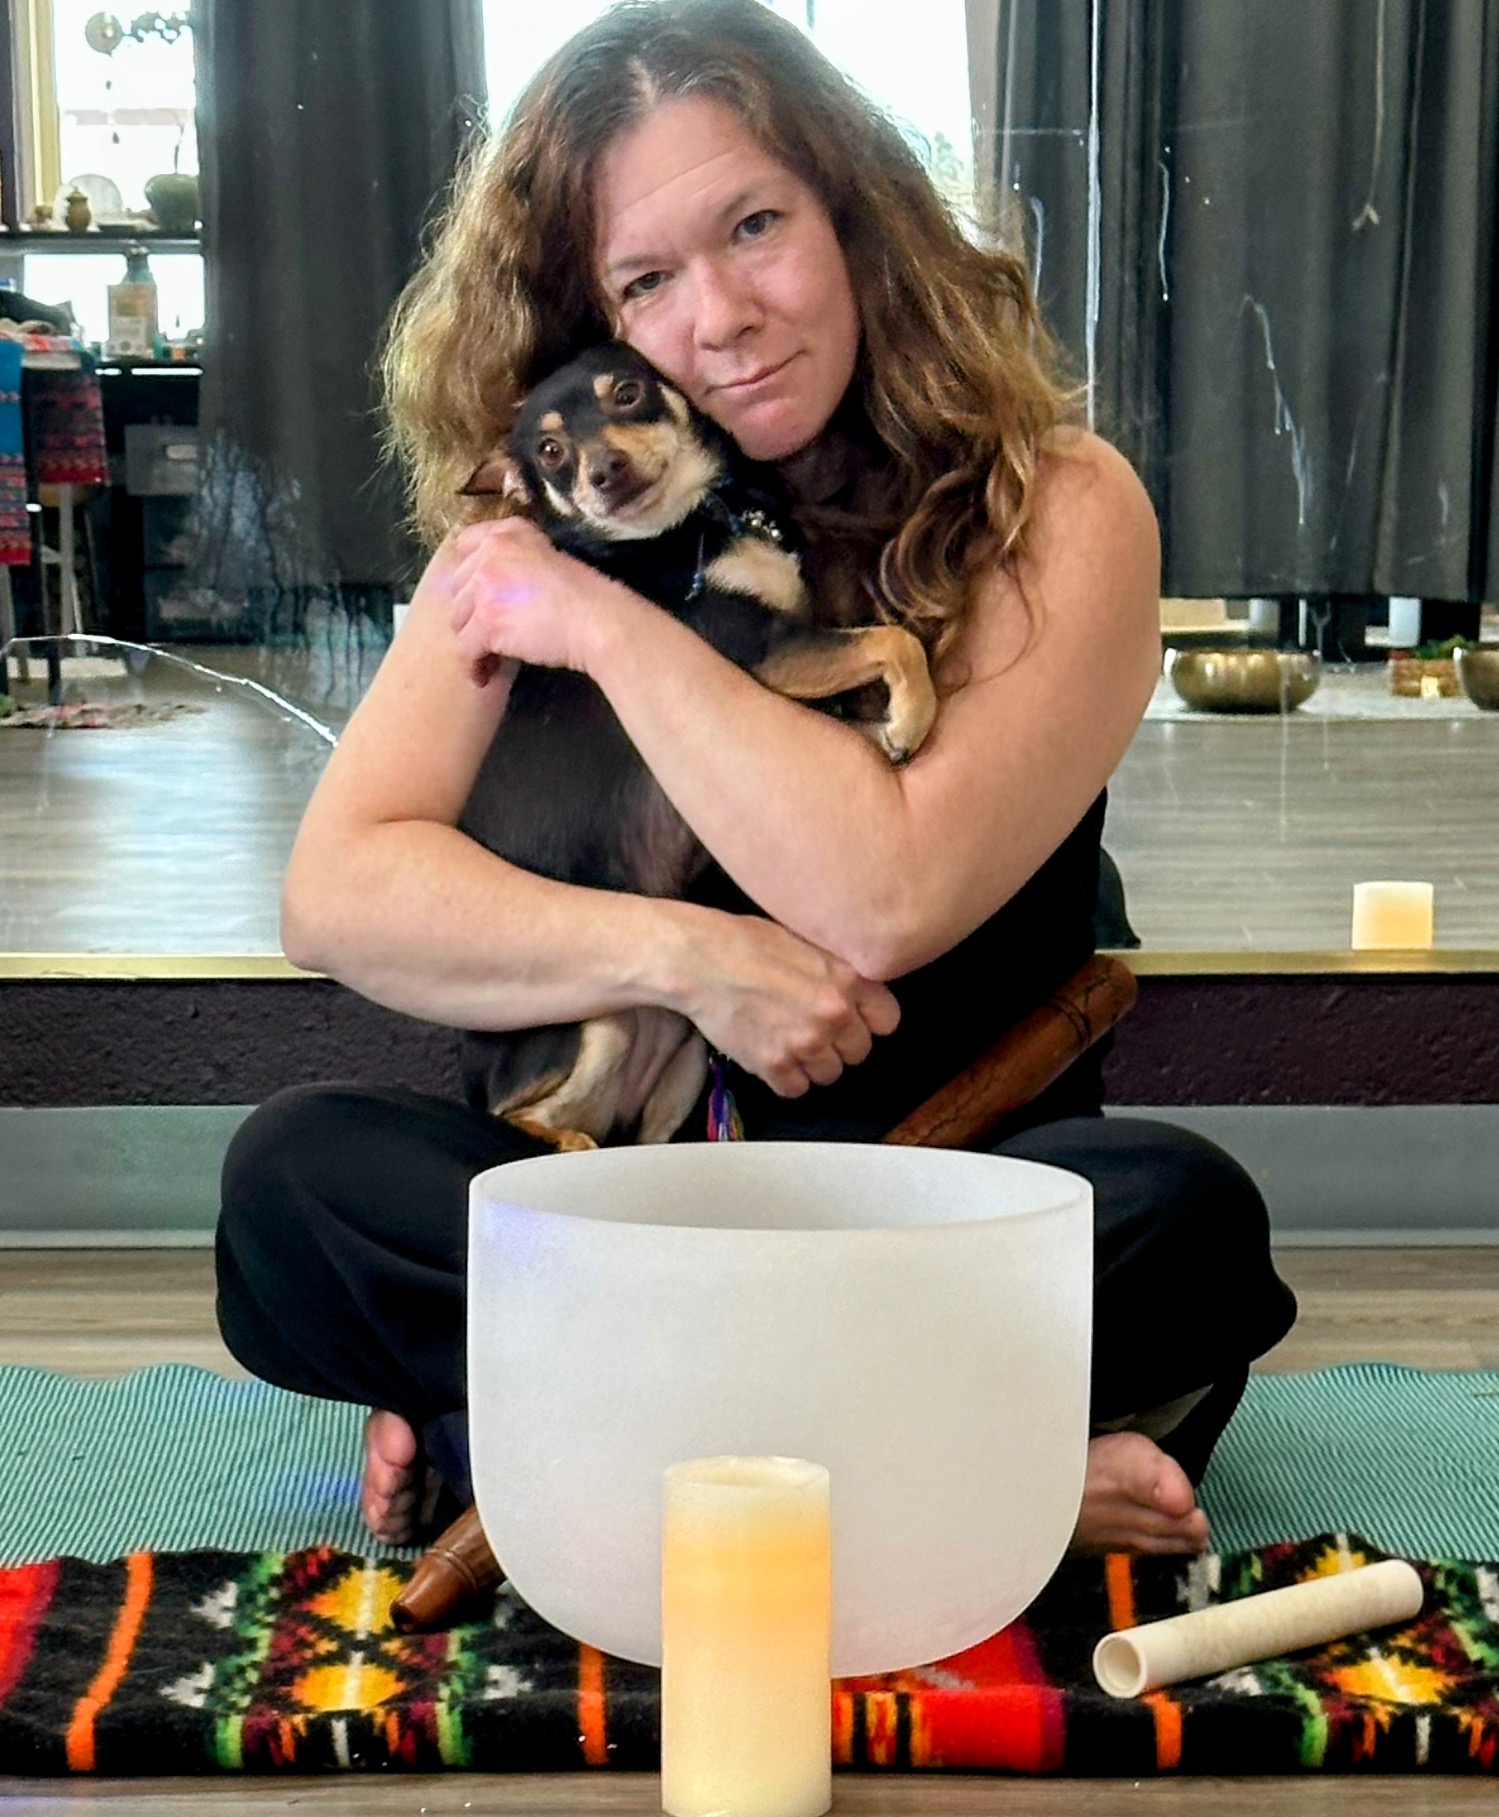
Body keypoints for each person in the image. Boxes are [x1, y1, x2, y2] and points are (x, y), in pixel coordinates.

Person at [216, 0, 1295, 1568]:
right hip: (617, 1222)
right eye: (646, 281)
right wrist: (688, 956)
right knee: (291, 1181)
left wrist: (605, 625)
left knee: (1179, 1217)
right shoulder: (530, 537)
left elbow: (882, 898)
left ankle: (541, 1435)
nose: (720, 316)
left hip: (934, 1207)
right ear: (592, 323)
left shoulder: (1060, 507)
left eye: (754, 226)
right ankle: (949, 1479)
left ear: (855, 213)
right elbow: (339, 894)